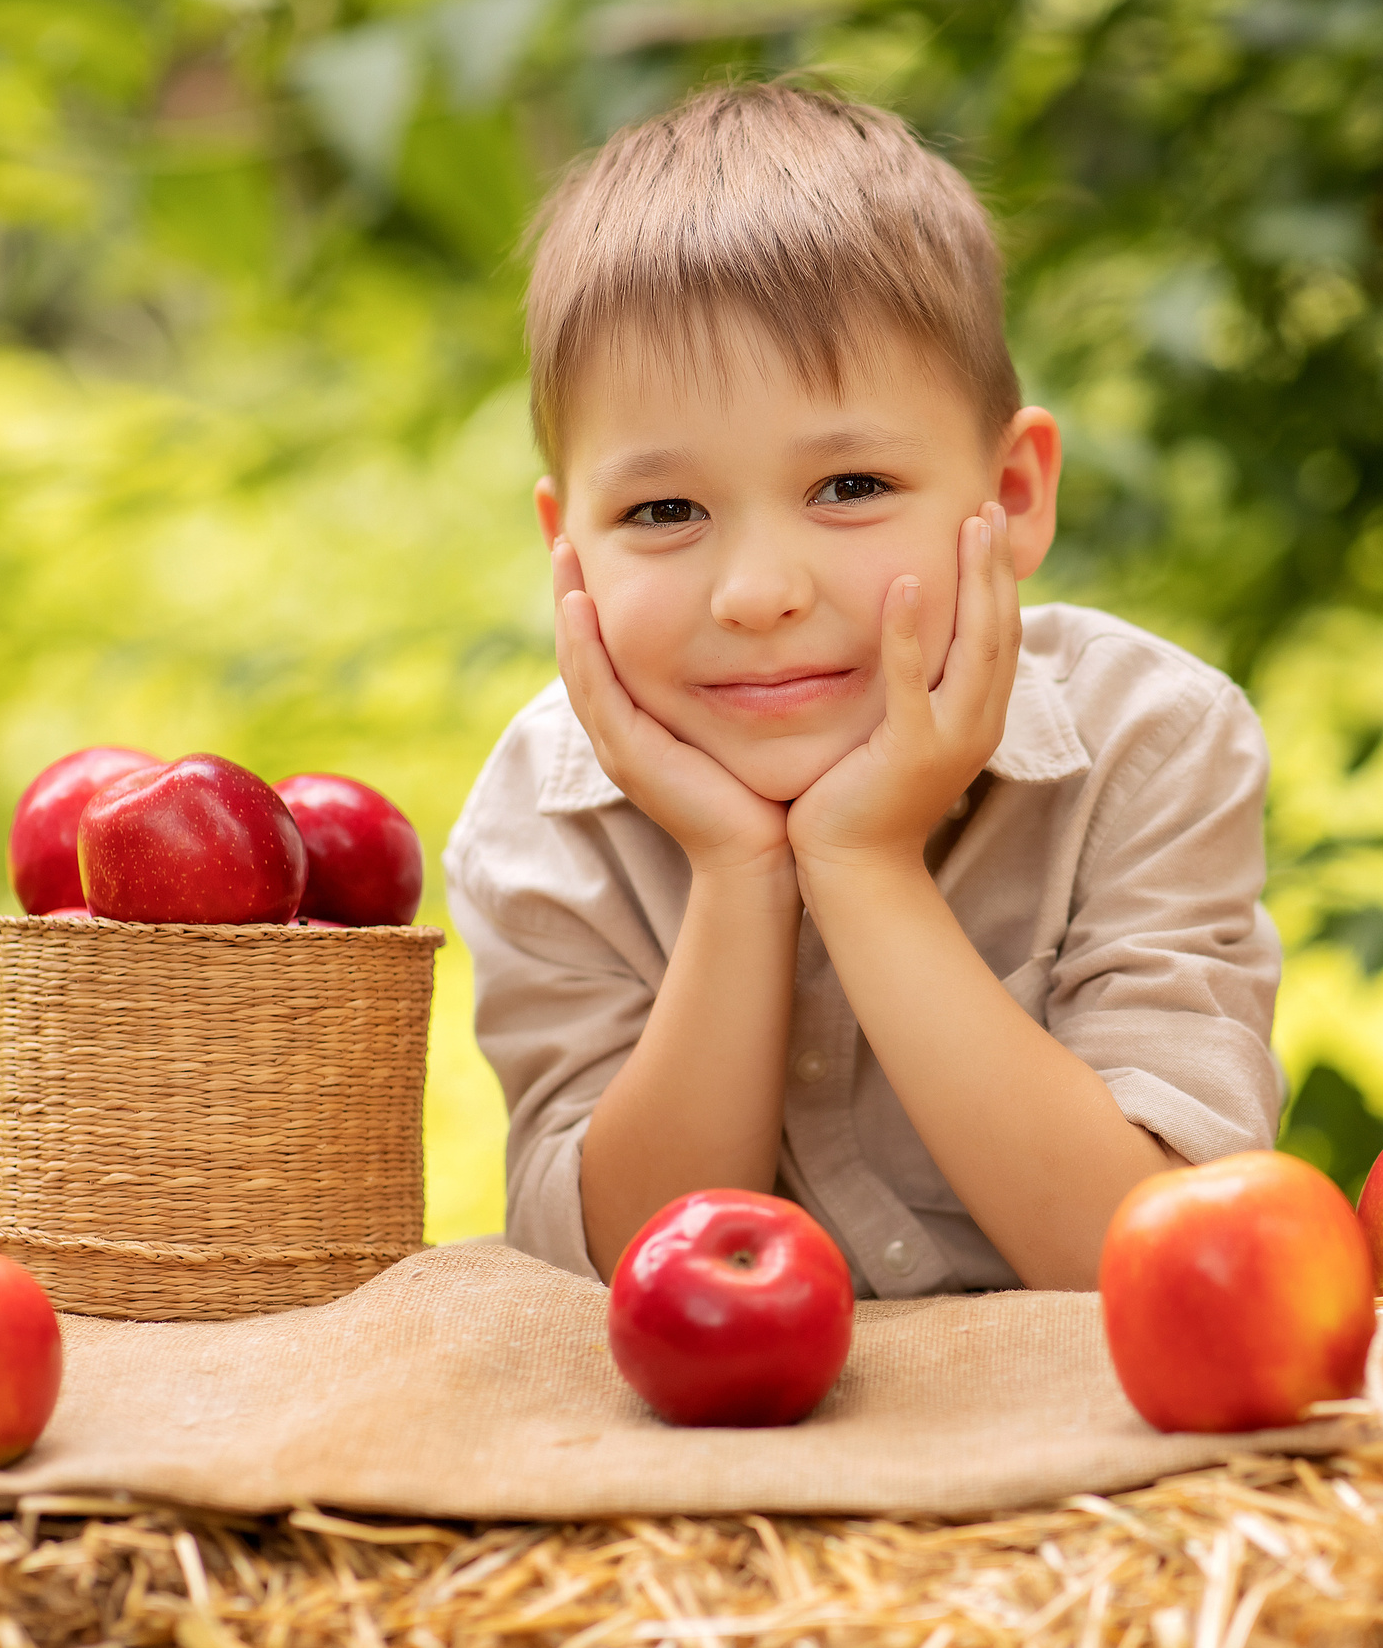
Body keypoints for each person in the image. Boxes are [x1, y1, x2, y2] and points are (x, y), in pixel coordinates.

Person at [444, 82, 1281, 1296]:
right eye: (663, 511)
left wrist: (865, 863)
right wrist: (740, 873)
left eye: (848, 488)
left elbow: (1144, 1260)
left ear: (1013, 493)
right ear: (564, 543)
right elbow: (631, 1270)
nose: (759, 591)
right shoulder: (542, 816)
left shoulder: (1151, 743)